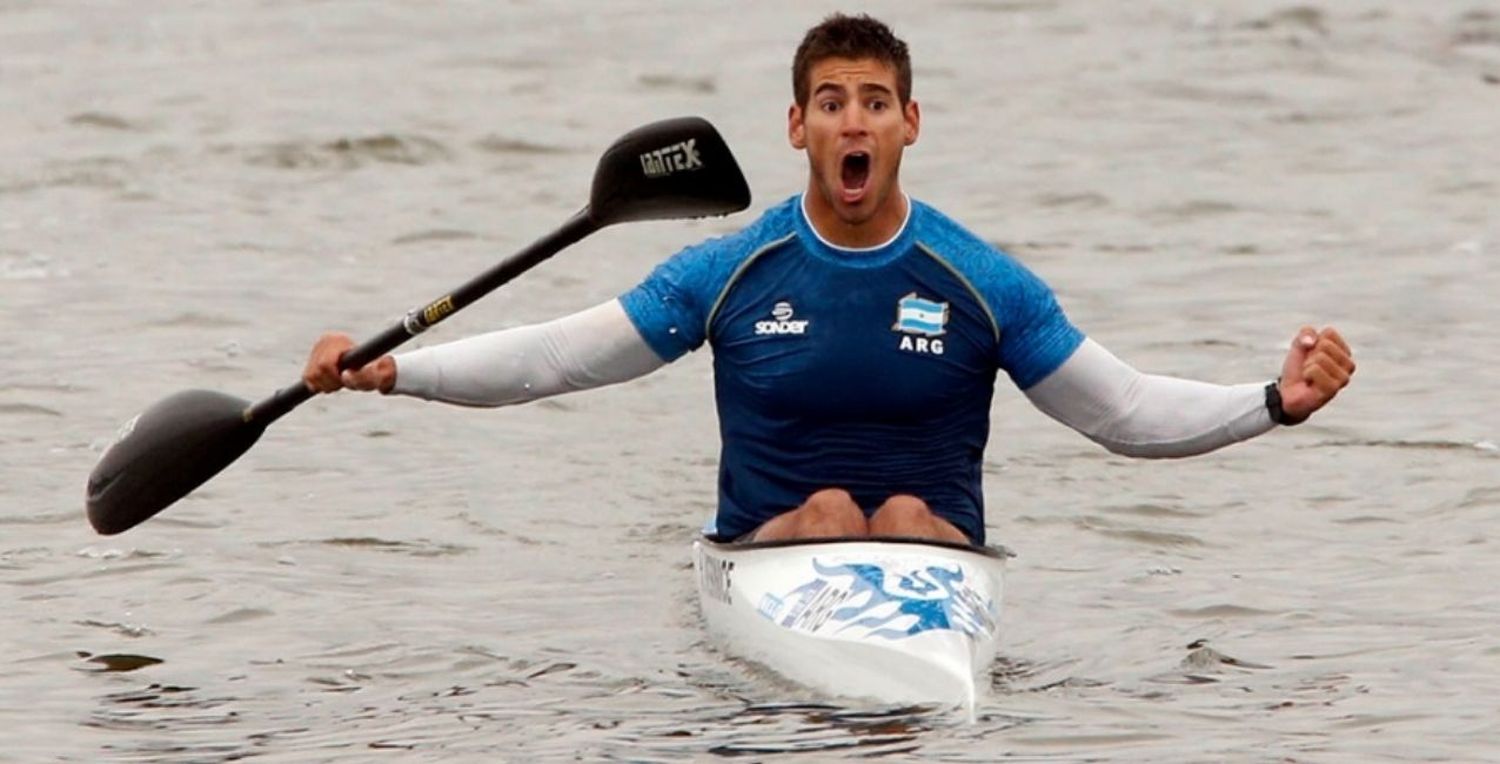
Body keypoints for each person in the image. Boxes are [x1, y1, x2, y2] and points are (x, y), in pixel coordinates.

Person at [303, 14, 1354, 546]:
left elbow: (1122, 412)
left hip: (933, 561)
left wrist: (1275, 402)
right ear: (798, 126)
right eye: (834, 100)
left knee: (896, 513)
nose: (856, 119)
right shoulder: (729, 271)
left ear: (910, 123)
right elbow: (558, 357)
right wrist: (399, 371)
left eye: (877, 101)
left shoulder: (979, 281)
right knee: (829, 512)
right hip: (771, 554)